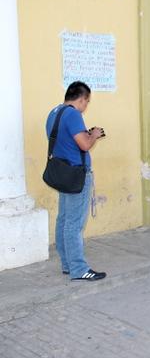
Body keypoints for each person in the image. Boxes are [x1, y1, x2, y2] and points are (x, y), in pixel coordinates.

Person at [45, 81, 106, 281]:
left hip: (63, 172)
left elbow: (65, 141)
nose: (86, 106)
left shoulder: (55, 112)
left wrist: (85, 134)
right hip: (76, 174)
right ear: (81, 98)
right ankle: (79, 269)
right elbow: (85, 145)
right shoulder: (73, 114)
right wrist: (94, 135)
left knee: (63, 219)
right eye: (86, 102)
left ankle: (67, 264)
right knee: (74, 223)